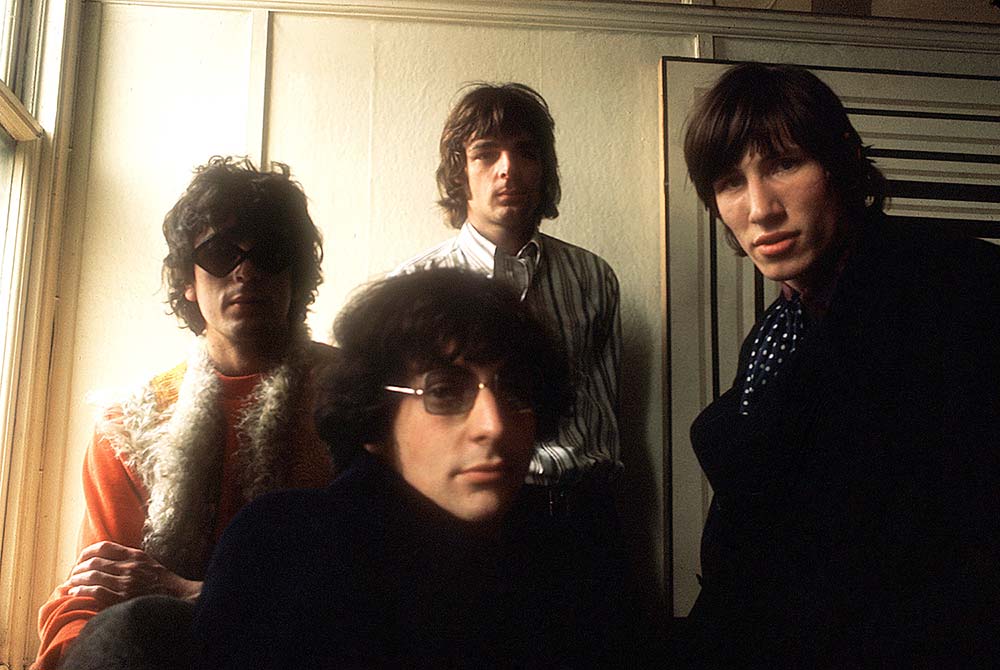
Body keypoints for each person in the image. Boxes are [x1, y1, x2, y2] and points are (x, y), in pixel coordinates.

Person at [679, 62, 1000, 667]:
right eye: (730, 181)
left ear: (842, 163)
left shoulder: (959, 285)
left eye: (784, 164)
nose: (759, 209)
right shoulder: (773, 331)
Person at [192, 268, 634, 668]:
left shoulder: (568, 560)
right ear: (374, 415)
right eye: (444, 391)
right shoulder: (284, 547)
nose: (494, 425)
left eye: (516, 390)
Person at [34, 157, 338, 669]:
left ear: (295, 276)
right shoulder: (132, 425)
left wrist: (191, 590)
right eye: (219, 253)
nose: (246, 271)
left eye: (269, 252)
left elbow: (372, 579)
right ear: (188, 281)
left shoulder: (355, 400)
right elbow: (95, 589)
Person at [392, 82, 623, 552]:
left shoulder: (593, 276)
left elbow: (605, 412)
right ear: (460, 171)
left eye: (525, 152)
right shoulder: (413, 287)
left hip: (584, 519)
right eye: (485, 154)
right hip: (462, 524)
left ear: (544, 168)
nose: (508, 169)